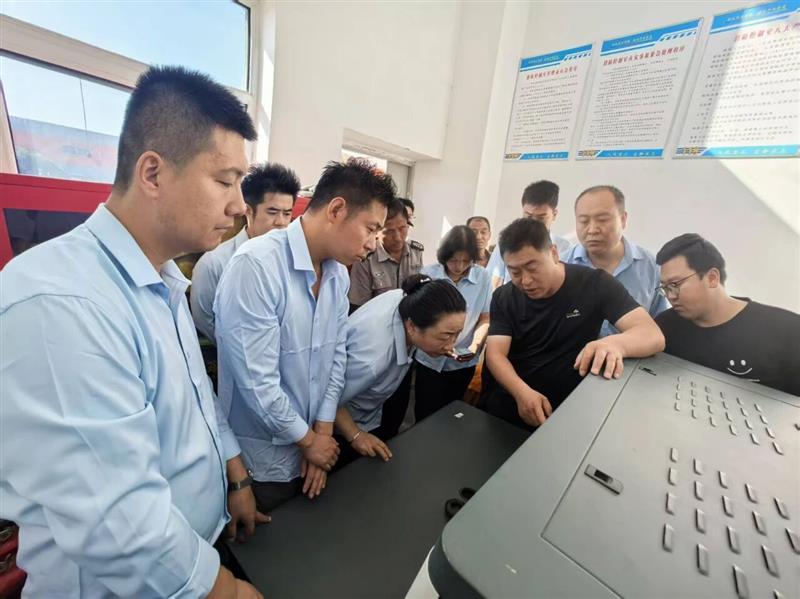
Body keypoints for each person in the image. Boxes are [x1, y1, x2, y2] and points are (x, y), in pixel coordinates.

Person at [0, 66, 263, 598]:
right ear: (153, 174)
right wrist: (229, 591)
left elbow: (197, 401)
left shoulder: (162, 279)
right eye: (225, 180)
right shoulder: (61, 302)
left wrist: (232, 476)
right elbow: (118, 525)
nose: (239, 205)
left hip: (188, 557)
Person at [214, 158, 396, 511]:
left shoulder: (337, 276)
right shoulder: (257, 266)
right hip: (260, 464)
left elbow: (335, 359)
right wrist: (309, 441)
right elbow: (257, 384)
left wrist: (323, 434)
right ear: (337, 210)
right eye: (371, 228)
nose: (374, 244)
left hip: (312, 454)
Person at [483, 218, 665, 430]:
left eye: (532, 268)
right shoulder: (504, 297)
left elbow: (652, 335)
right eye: (515, 272)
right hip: (514, 399)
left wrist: (615, 344)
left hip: (570, 407)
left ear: (553, 253)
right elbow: (496, 354)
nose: (526, 281)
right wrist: (521, 392)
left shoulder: (595, 284)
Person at [335, 274, 466, 466]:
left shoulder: (410, 298)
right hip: (343, 421)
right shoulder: (373, 359)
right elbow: (329, 399)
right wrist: (356, 436)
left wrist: (439, 343)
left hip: (375, 405)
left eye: (457, 334)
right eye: (445, 336)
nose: (452, 345)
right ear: (412, 326)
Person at [655, 234, 800, 396]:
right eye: (665, 288)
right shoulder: (664, 328)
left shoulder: (788, 331)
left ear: (712, 278)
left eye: (675, 284)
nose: (671, 296)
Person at [191, 162, 300, 342]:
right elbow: (206, 323)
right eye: (272, 212)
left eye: (287, 214)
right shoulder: (214, 263)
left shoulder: (294, 261)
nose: (281, 222)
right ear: (248, 211)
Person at [562, 185, 667, 337]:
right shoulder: (562, 266)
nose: (592, 229)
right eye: (584, 221)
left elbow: (659, 324)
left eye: (602, 220)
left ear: (623, 219)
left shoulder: (650, 266)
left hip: (635, 351)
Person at [415, 226, 491, 420]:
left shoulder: (482, 277)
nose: (459, 266)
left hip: (462, 361)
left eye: (466, 261)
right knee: (424, 413)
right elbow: (417, 317)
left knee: (452, 414)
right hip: (430, 360)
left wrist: (474, 346)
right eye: (454, 260)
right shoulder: (429, 274)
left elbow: (485, 317)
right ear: (444, 256)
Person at [487, 180, 571, 287]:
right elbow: (493, 283)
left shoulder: (566, 249)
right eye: (528, 216)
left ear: (554, 214)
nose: (533, 223)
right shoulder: (506, 244)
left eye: (541, 218)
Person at [348, 197, 424, 311]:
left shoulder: (416, 251)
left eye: (402, 228)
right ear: (376, 231)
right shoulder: (365, 258)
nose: (397, 238)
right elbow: (359, 308)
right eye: (389, 231)